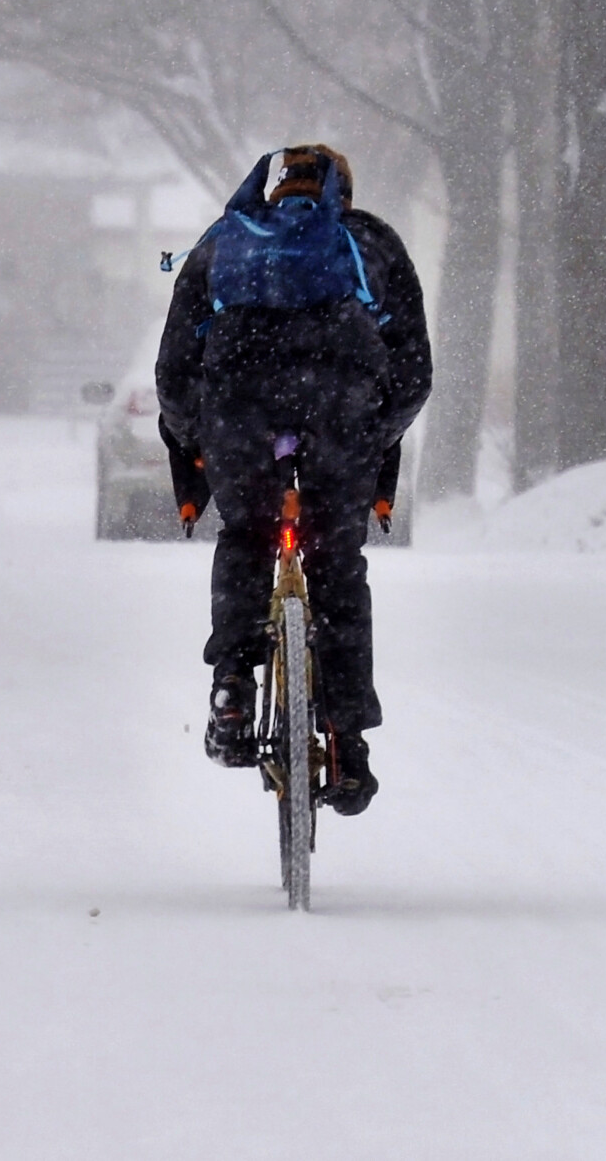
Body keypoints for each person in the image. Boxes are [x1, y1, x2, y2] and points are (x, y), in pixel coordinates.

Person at [154, 144, 431, 816]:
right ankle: (346, 742)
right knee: (336, 563)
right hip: (340, 410)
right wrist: (377, 429)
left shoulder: (223, 241)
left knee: (249, 536)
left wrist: (197, 437)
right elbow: (413, 369)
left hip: (241, 408)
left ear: (271, 192)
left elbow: (174, 370)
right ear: (343, 194)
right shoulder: (373, 242)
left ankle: (232, 687)